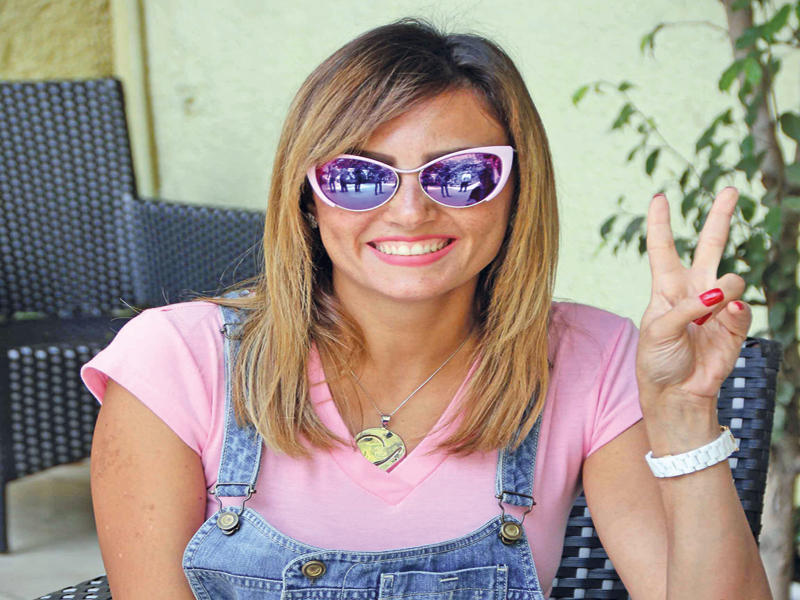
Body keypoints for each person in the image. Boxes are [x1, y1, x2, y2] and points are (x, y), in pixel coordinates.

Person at [86, 19, 770, 600]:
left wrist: (683, 416)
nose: (410, 212)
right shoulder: (176, 362)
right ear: (308, 198)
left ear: (517, 192)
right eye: (359, 176)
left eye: (461, 175)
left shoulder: (591, 357)